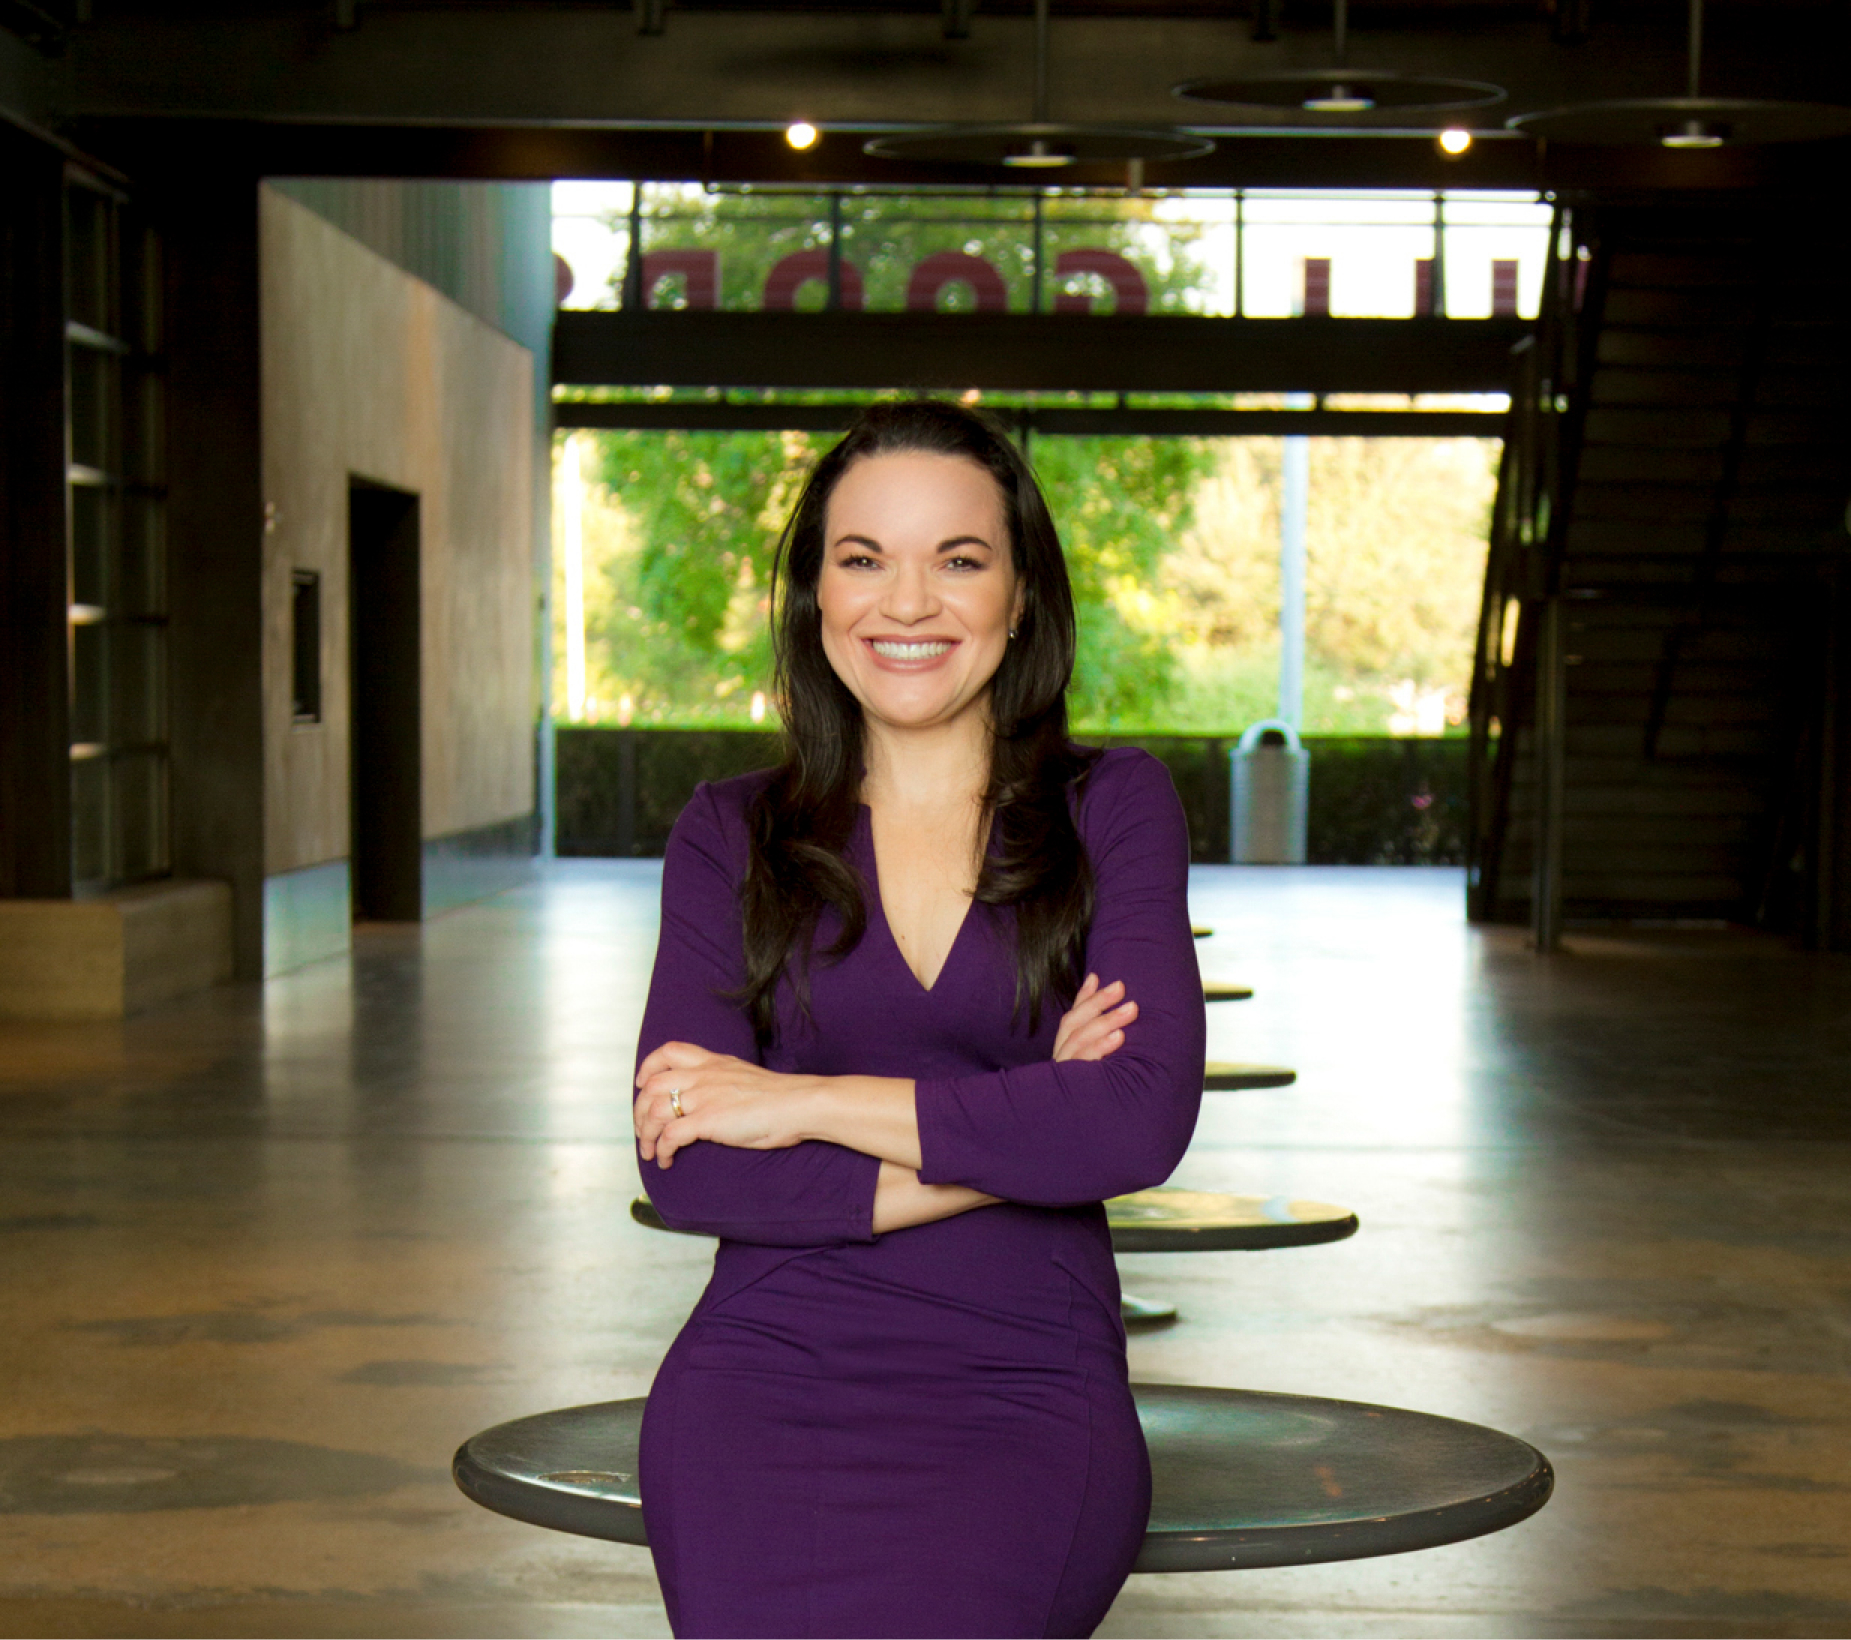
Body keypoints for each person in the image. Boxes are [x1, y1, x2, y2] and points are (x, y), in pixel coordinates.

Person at [631, 399, 1206, 1639]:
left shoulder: (1114, 807)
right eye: (862, 558)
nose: (906, 602)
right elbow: (691, 1166)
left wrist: (798, 1102)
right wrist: (1025, 1131)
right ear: (815, 596)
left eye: (958, 558)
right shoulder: (729, 832)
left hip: (1026, 1380)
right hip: (760, 1377)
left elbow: (1138, 1119)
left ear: (1021, 594)